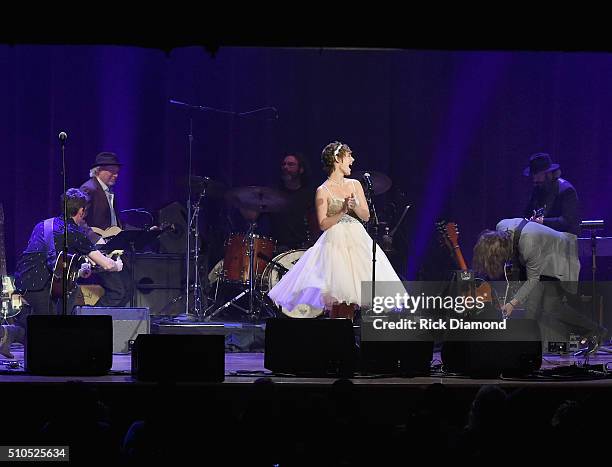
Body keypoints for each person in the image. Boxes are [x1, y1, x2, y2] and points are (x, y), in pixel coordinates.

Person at [267, 141, 405, 320]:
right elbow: (323, 223)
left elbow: (366, 216)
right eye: (349, 156)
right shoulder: (322, 190)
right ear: (337, 160)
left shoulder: (355, 184)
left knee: (355, 291)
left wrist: (355, 206)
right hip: (334, 241)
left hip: (357, 239)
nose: (352, 160)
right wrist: (342, 210)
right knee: (338, 293)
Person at [0, 189, 123, 358]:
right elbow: (106, 265)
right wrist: (117, 264)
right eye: (84, 212)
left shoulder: (43, 224)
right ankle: (9, 333)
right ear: (81, 211)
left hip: (24, 281)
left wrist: (78, 271)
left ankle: (12, 335)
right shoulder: (74, 233)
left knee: (47, 322)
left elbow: (51, 259)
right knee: (47, 332)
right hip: (41, 285)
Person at [472, 218, 606, 353]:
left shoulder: (529, 245)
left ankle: (525, 349)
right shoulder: (501, 225)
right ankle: (596, 330)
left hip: (559, 255)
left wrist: (512, 304)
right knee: (551, 307)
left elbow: (533, 280)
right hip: (541, 253)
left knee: (545, 306)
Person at [79, 152, 133, 307]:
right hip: (98, 251)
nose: (115, 175)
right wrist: (96, 239)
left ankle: (112, 327)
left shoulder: (108, 192)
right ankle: (92, 320)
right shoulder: (89, 189)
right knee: (118, 292)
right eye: (111, 171)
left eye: (117, 172)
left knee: (128, 290)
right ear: (98, 170)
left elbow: (116, 225)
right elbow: (77, 220)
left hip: (112, 249)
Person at [268, 153, 319, 252]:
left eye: (291, 164)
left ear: (301, 170)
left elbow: (316, 224)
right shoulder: (273, 194)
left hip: (303, 249)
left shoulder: (310, 195)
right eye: (284, 164)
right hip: (278, 249)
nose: (285, 167)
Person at [522, 153, 579, 235]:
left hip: (564, 241)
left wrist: (542, 221)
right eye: (533, 176)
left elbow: (567, 221)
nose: (535, 180)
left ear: (549, 174)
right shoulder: (537, 190)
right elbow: (527, 213)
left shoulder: (567, 190)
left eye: (538, 175)